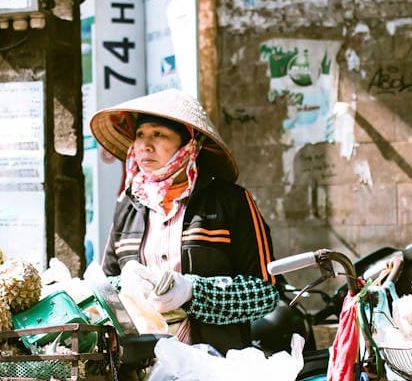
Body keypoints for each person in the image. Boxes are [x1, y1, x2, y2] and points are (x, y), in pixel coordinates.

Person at [90, 89, 279, 353]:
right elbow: (106, 286)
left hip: (215, 363)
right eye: (140, 135)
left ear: (189, 145)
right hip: (144, 363)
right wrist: (131, 285)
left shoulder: (232, 201)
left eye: (159, 134)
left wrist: (191, 291)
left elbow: (264, 293)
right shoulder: (128, 204)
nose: (145, 145)